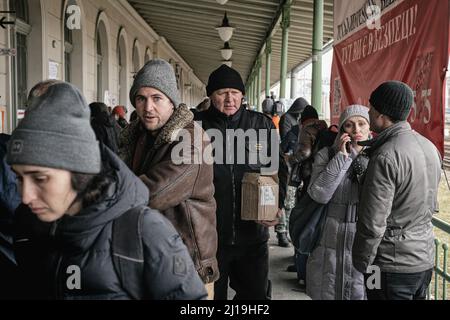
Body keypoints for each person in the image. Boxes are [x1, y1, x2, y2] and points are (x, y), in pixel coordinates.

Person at [7, 81, 207, 300]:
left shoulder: (144, 232)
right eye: (19, 177)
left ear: (78, 170)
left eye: (40, 178)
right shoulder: (27, 224)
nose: (26, 196)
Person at [118, 59, 219, 298]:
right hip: (152, 255)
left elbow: (152, 193)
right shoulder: (139, 136)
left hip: (188, 264)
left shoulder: (193, 140)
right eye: (141, 99)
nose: (148, 107)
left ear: (171, 102)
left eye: (156, 98)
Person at [194, 64, 287, 300]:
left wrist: (278, 205)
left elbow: (278, 170)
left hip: (252, 237)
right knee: (210, 299)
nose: (229, 99)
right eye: (221, 93)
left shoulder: (261, 124)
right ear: (210, 95)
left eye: (234, 93)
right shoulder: (196, 126)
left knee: (254, 298)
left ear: (242, 95)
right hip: (209, 240)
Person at [352, 81, 442, 300]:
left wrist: (362, 263)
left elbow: (372, 223)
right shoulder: (429, 147)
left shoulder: (385, 155)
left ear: (382, 114)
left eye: (371, 107)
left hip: (389, 266)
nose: (369, 111)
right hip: (423, 261)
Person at [306, 105, 371, 300]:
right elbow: (320, 194)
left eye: (361, 124)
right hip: (328, 234)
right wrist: (342, 158)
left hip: (362, 232)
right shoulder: (326, 155)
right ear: (342, 130)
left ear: (370, 127)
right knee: (327, 289)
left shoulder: (378, 155)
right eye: (349, 125)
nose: (356, 130)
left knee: (360, 291)